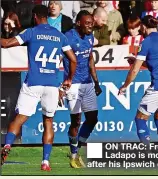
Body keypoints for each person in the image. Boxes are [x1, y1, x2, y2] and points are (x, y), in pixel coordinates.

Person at [0, 5, 77, 171]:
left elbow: (6, 44)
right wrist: (69, 79)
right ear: (47, 16)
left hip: (33, 83)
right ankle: (45, 162)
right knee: (48, 122)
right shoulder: (59, 35)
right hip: (51, 85)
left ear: (35, 16)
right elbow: (73, 60)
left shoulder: (31, 32)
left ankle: (6, 146)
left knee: (19, 119)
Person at [118, 15, 158, 145]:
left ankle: (147, 152)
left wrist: (125, 86)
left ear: (143, 27)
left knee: (140, 119)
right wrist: (138, 61)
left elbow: (135, 70)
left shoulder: (146, 42)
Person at [59, 10, 102, 168]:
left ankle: (78, 149)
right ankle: (74, 154)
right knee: (76, 121)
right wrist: (62, 85)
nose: (91, 26)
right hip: (73, 84)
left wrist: (96, 82)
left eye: (92, 23)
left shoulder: (90, 36)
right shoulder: (68, 37)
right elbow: (57, 57)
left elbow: (90, 59)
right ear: (78, 23)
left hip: (88, 83)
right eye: (87, 23)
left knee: (92, 119)